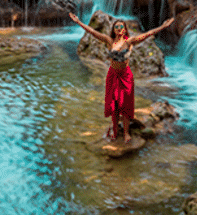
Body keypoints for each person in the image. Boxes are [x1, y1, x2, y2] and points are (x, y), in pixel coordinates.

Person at [69, 13, 174, 143]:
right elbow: (92, 31)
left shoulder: (129, 41)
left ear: (125, 29)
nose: (119, 28)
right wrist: (78, 21)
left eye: (121, 26)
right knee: (114, 105)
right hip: (113, 75)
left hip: (125, 76)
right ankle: (114, 129)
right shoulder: (109, 41)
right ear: (113, 29)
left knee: (125, 105)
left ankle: (125, 132)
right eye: (116, 26)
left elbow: (148, 34)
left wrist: (163, 26)